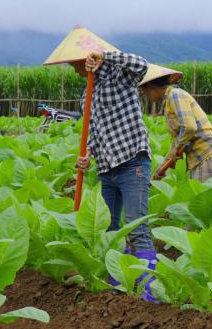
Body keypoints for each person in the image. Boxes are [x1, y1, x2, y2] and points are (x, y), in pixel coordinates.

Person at [73, 51, 157, 302]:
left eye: (74, 61)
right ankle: (117, 288)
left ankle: (149, 292)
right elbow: (93, 132)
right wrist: (87, 155)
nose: (74, 67)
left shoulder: (119, 75)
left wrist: (105, 57)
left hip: (132, 162)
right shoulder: (87, 94)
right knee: (109, 230)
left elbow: (143, 64)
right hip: (106, 170)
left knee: (137, 227)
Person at [139, 75, 212, 182]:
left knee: (207, 197)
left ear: (151, 86)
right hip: (199, 158)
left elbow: (189, 128)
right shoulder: (169, 101)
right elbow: (178, 139)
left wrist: (175, 151)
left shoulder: (175, 95)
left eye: (143, 89)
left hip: (207, 155)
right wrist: (160, 170)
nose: (143, 94)